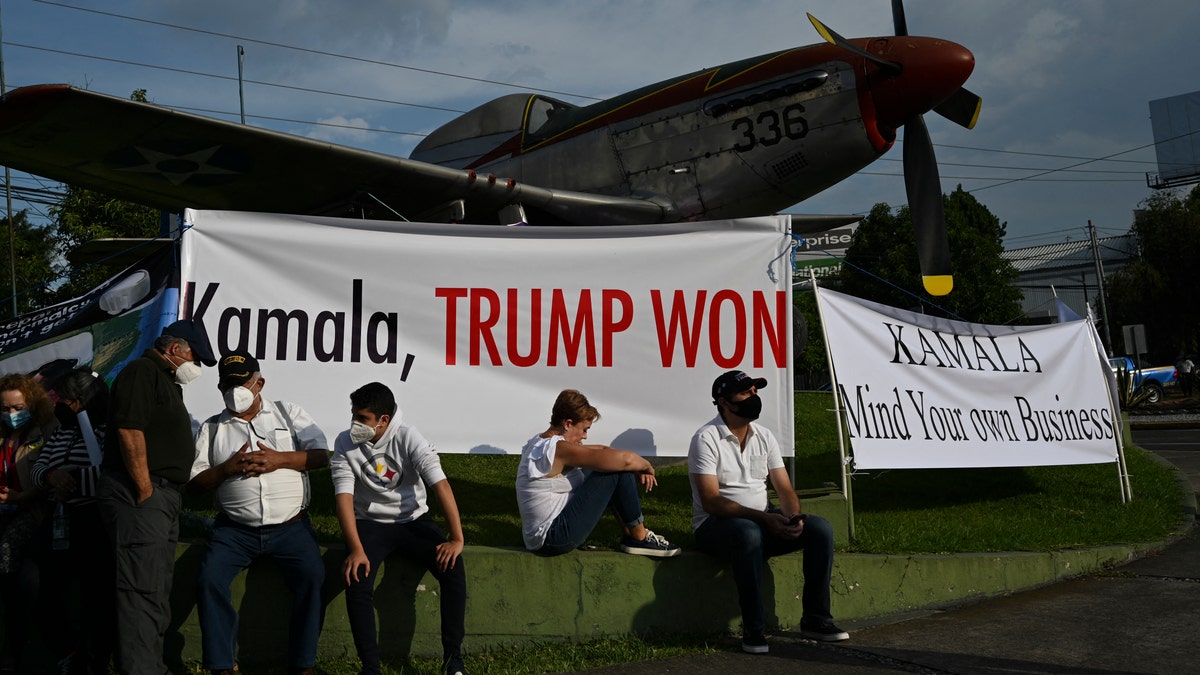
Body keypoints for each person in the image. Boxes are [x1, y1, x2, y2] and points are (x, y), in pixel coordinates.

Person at [187, 350, 329, 675]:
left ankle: (303, 664)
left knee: (313, 576)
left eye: (241, 382)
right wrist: (226, 470)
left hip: (291, 527)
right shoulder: (212, 428)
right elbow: (193, 485)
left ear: (259, 382)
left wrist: (280, 460)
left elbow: (320, 456)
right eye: (227, 384)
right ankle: (223, 666)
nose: (233, 390)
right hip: (234, 531)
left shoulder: (287, 413)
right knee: (210, 579)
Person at [688, 370, 848, 654]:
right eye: (746, 393)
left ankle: (816, 619)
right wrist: (764, 519)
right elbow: (711, 502)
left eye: (755, 391)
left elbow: (784, 489)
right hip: (717, 527)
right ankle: (754, 629)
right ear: (724, 402)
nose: (754, 397)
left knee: (819, 528)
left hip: (762, 521)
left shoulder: (764, 436)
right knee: (748, 532)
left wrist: (792, 519)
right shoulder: (706, 438)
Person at [98, 319, 216, 675]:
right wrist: (145, 489)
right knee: (140, 591)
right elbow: (129, 429)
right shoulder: (142, 371)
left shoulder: (166, 381)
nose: (197, 367)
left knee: (154, 591)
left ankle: (152, 665)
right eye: (196, 357)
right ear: (176, 349)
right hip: (141, 493)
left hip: (162, 497)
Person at [331, 382, 468, 675]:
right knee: (357, 578)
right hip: (370, 523)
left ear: (384, 420)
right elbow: (343, 497)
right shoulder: (344, 442)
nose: (355, 423)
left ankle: (453, 661)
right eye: (353, 415)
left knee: (453, 570)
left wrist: (456, 538)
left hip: (413, 520)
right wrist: (355, 548)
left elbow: (440, 485)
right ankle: (370, 668)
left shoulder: (408, 436)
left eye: (363, 418)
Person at [516, 389, 680, 558]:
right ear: (568, 423)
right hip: (553, 538)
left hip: (542, 537)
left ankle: (631, 536)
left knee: (609, 465)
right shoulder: (558, 449)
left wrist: (634, 467)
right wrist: (646, 466)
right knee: (616, 472)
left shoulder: (541, 441)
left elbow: (603, 450)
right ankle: (639, 537)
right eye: (584, 429)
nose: (585, 437)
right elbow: (625, 461)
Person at [30, 367, 116, 674]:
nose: (60, 403)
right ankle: (66, 651)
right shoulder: (60, 433)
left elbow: (108, 475)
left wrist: (74, 480)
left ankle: (94, 660)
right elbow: (38, 470)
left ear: (83, 400)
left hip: (93, 523)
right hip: (58, 521)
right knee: (45, 593)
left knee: (96, 597)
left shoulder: (108, 431)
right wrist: (53, 476)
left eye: (66, 398)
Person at [0, 372, 56, 673]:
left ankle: (18, 646)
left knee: (20, 581)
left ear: (31, 404)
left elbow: (52, 476)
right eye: (6, 408)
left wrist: (21, 498)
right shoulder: (2, 435)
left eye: (17, 408)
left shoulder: (46, 431)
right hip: (6, 510)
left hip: (34, 514)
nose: (12, 415)